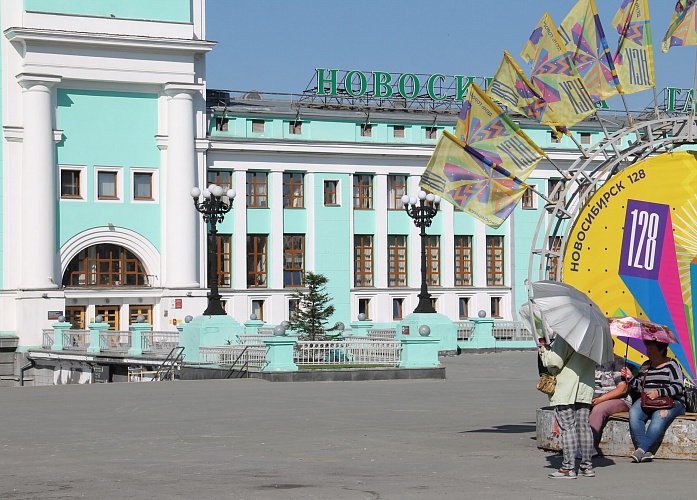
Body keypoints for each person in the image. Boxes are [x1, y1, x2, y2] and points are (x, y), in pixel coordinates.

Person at [540, 335, 597, 479]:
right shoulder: (594, 337)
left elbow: (555, 362)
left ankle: (568, 468)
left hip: (566, 387)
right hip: (585, 385)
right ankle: (587, 466)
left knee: (567, 427)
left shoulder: (566, 335)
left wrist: (544, 353)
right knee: (584, 426)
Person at [621, 339, 686, 463]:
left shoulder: (672, 364)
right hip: (648, 401)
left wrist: (659, 392)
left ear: (661, 350)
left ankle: (641, 450)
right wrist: (631, 378)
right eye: (648, 348)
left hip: (671, 401)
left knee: (659, 415)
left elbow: (678, 387)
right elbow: (640, 387)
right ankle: (645, 451)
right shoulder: (646, 365)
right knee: (634, 412)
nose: (648, 351)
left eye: (652, 348)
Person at [589, 353, 632, 452]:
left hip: (617, 399)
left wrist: (600, 400)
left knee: (599, 410)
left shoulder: (617, 361)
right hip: (592, 397)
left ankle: (588, 446)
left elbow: (622, 389)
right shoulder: (589, 359)